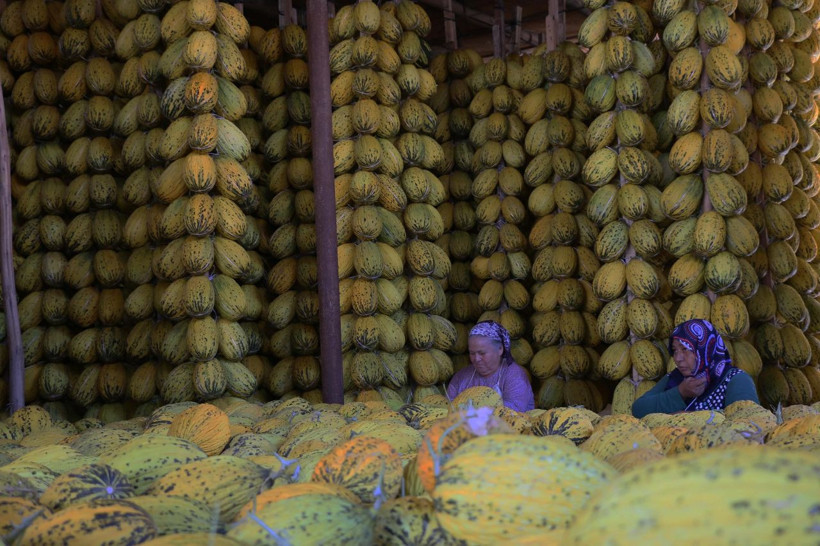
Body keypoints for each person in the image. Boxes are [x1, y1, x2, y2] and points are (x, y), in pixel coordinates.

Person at [632, 318, 759, 418]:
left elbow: (747, 422)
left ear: (705, 349)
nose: (678, 358)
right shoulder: (675, 377)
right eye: (675, 350)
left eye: (685, 349)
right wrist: (680, 393)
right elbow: (638, 409)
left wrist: (689, 418)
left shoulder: (736, 379)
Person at [447, 321, 535, 412]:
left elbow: (514, 412)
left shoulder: (514, 376)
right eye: (472, 353)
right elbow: (448, 409)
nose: (476, 359)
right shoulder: (461, 378)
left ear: (500, 349)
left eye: (482, 353)